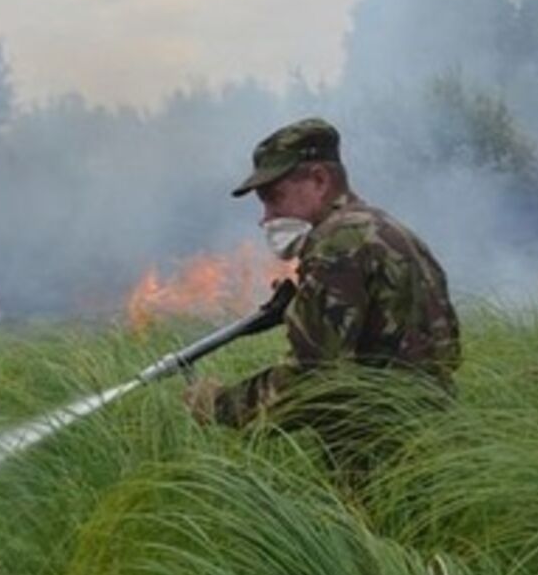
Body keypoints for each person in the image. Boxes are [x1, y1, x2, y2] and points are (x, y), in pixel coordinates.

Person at [185, 117, 461, 432]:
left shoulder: (336, 244)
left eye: (275, 198)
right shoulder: (389, 229)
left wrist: (219, 405)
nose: (266, 217)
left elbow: (313, 378)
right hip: (436, 436)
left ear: (319, 180)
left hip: (384, 451)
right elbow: (443, 352)